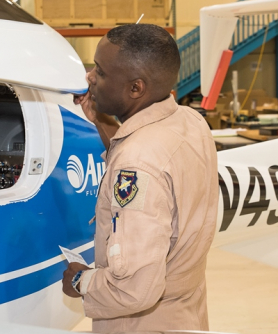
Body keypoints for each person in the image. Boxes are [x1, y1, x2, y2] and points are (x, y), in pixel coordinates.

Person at [61, 24, 219, 333]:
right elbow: (141, 152)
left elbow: (135, 289)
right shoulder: (189, 121)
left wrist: (81, 281)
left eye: (101, 73)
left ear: (136, 89)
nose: (90, 77)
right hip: (185, 314)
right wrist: (102, 119)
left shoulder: (137, 163)